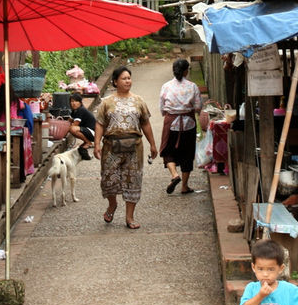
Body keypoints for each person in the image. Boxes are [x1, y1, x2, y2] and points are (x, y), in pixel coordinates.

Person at [93, 66, 157, 230]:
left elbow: (145, 123)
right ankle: (112, 205)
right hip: (111, 147)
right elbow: (100, 123)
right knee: (109, 180)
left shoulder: (138, 101)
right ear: (115, 81)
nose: (128, 81)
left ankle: (129, 217)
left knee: (133, 180)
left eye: (129, 78)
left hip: (134, 147)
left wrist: (153, 144)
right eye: (124, 78)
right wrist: (96, 144)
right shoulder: (107, 102)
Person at [159, 58, 202, 195]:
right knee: (187, 154)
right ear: (186, 71)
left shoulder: (166, 86)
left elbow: (162, 108)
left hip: (171, 123)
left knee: (168, 150)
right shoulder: (192, 86)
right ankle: (184, 186)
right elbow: (198, 106)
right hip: (188, 123)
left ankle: (174, 175)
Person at [68, 92, 96, 160]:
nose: (73, 103)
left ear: (80, 102)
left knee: (73, 129)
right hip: (88, 131)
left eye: (76, 101)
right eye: (72, 101)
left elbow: (75, 124)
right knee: (71, 128)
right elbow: (69, 121)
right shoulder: (74, 111)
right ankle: (86, 142)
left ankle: (88, 142)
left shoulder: (81, 110)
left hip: (94, 133)